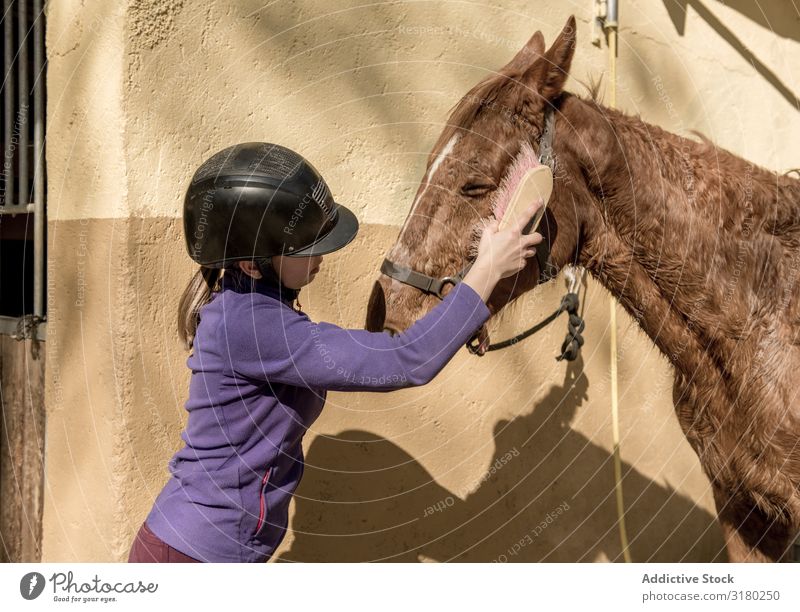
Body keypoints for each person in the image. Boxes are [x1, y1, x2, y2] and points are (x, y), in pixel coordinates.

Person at [127, 142, 543, 563]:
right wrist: (487, 269)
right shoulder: (253, 326)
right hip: (191, 559)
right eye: (303, 246)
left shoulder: (252, 308)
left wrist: (462, 314)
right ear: (252, 264)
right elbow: (406, 361)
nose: (320, 253)